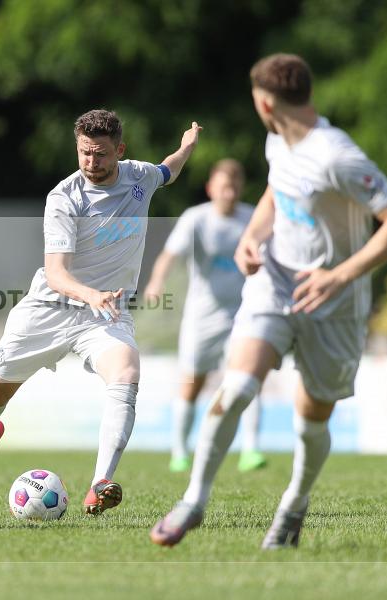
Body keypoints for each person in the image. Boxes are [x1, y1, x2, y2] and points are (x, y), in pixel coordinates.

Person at [150, 54, 387, 549]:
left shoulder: (339, 156)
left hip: (335, 303)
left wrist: (338, 275)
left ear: (265, 101)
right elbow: (276, 192)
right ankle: (193, 500)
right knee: (235, 387)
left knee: (309, 421)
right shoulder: (278, 141)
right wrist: (252, 235)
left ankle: (294, 504)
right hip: (273, 286)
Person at [0, 109, 202, 515]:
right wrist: (90, 294)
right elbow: (57, 273)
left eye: (101, 155)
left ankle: (100, 483)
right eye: (84, 153)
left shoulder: (139, 177)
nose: (92, 163)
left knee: (126, 372)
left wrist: (186, 147)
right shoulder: (64, 197)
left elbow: (168, 171)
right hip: (49, 307)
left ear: (120, 151)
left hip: (105, 312)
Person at [143, 159, 266, 474]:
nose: (230, 192)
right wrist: (156, 281)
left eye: (235, 186)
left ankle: (251, 449)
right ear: (211, 188)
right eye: (224, 186)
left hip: (242, 316)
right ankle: (180, 451)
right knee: (192, 384)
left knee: (247, 381)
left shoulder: (253, 218)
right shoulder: (195, 219)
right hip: (202, 318)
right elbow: (169, 254)